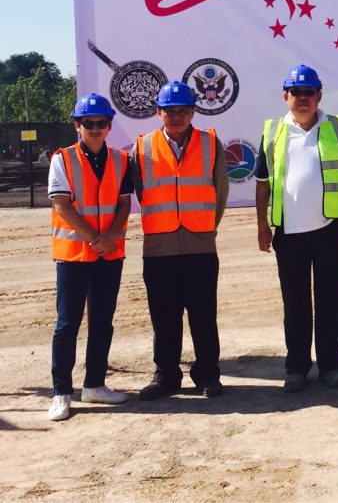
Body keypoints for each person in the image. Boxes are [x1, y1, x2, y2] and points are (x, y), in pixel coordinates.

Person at [256, 64, 338, 392]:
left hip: (330, 230)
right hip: (289, 234)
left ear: (319, 95)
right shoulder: (273, 131)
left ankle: (331, 367)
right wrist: (262, 225)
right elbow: (262, 183)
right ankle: (297, 368)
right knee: (295, 305)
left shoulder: (336, 127)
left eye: (309, 92)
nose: (303, 98)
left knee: (331, 302)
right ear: (285, 96)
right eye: (296, 92)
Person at [132, 80, 228, 399]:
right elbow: (141, 191)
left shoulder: (210, 143)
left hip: (200, 245)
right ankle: (166, 376)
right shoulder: (142, 147)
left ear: (193, 112)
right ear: (158, 112)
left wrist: (206, 227)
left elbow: (220, 190)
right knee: (164, 317)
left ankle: (207, 375)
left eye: (183, 111)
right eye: (169, 111)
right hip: (158, 248)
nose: (176, 117)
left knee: (203, 315)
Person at [46, 93, 131, 421]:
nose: (95, 128)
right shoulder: (62, 159)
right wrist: (96, 238)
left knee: (102, 321)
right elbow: (62, 205)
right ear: (77, 125)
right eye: (88, 123)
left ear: (109, 125)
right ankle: (61, 392)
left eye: (101, 123)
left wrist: (110, 237)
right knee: (67, 324)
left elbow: (124, 203)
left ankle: (95, 384)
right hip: (74, 255)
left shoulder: (121, 160)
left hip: (109, 254)